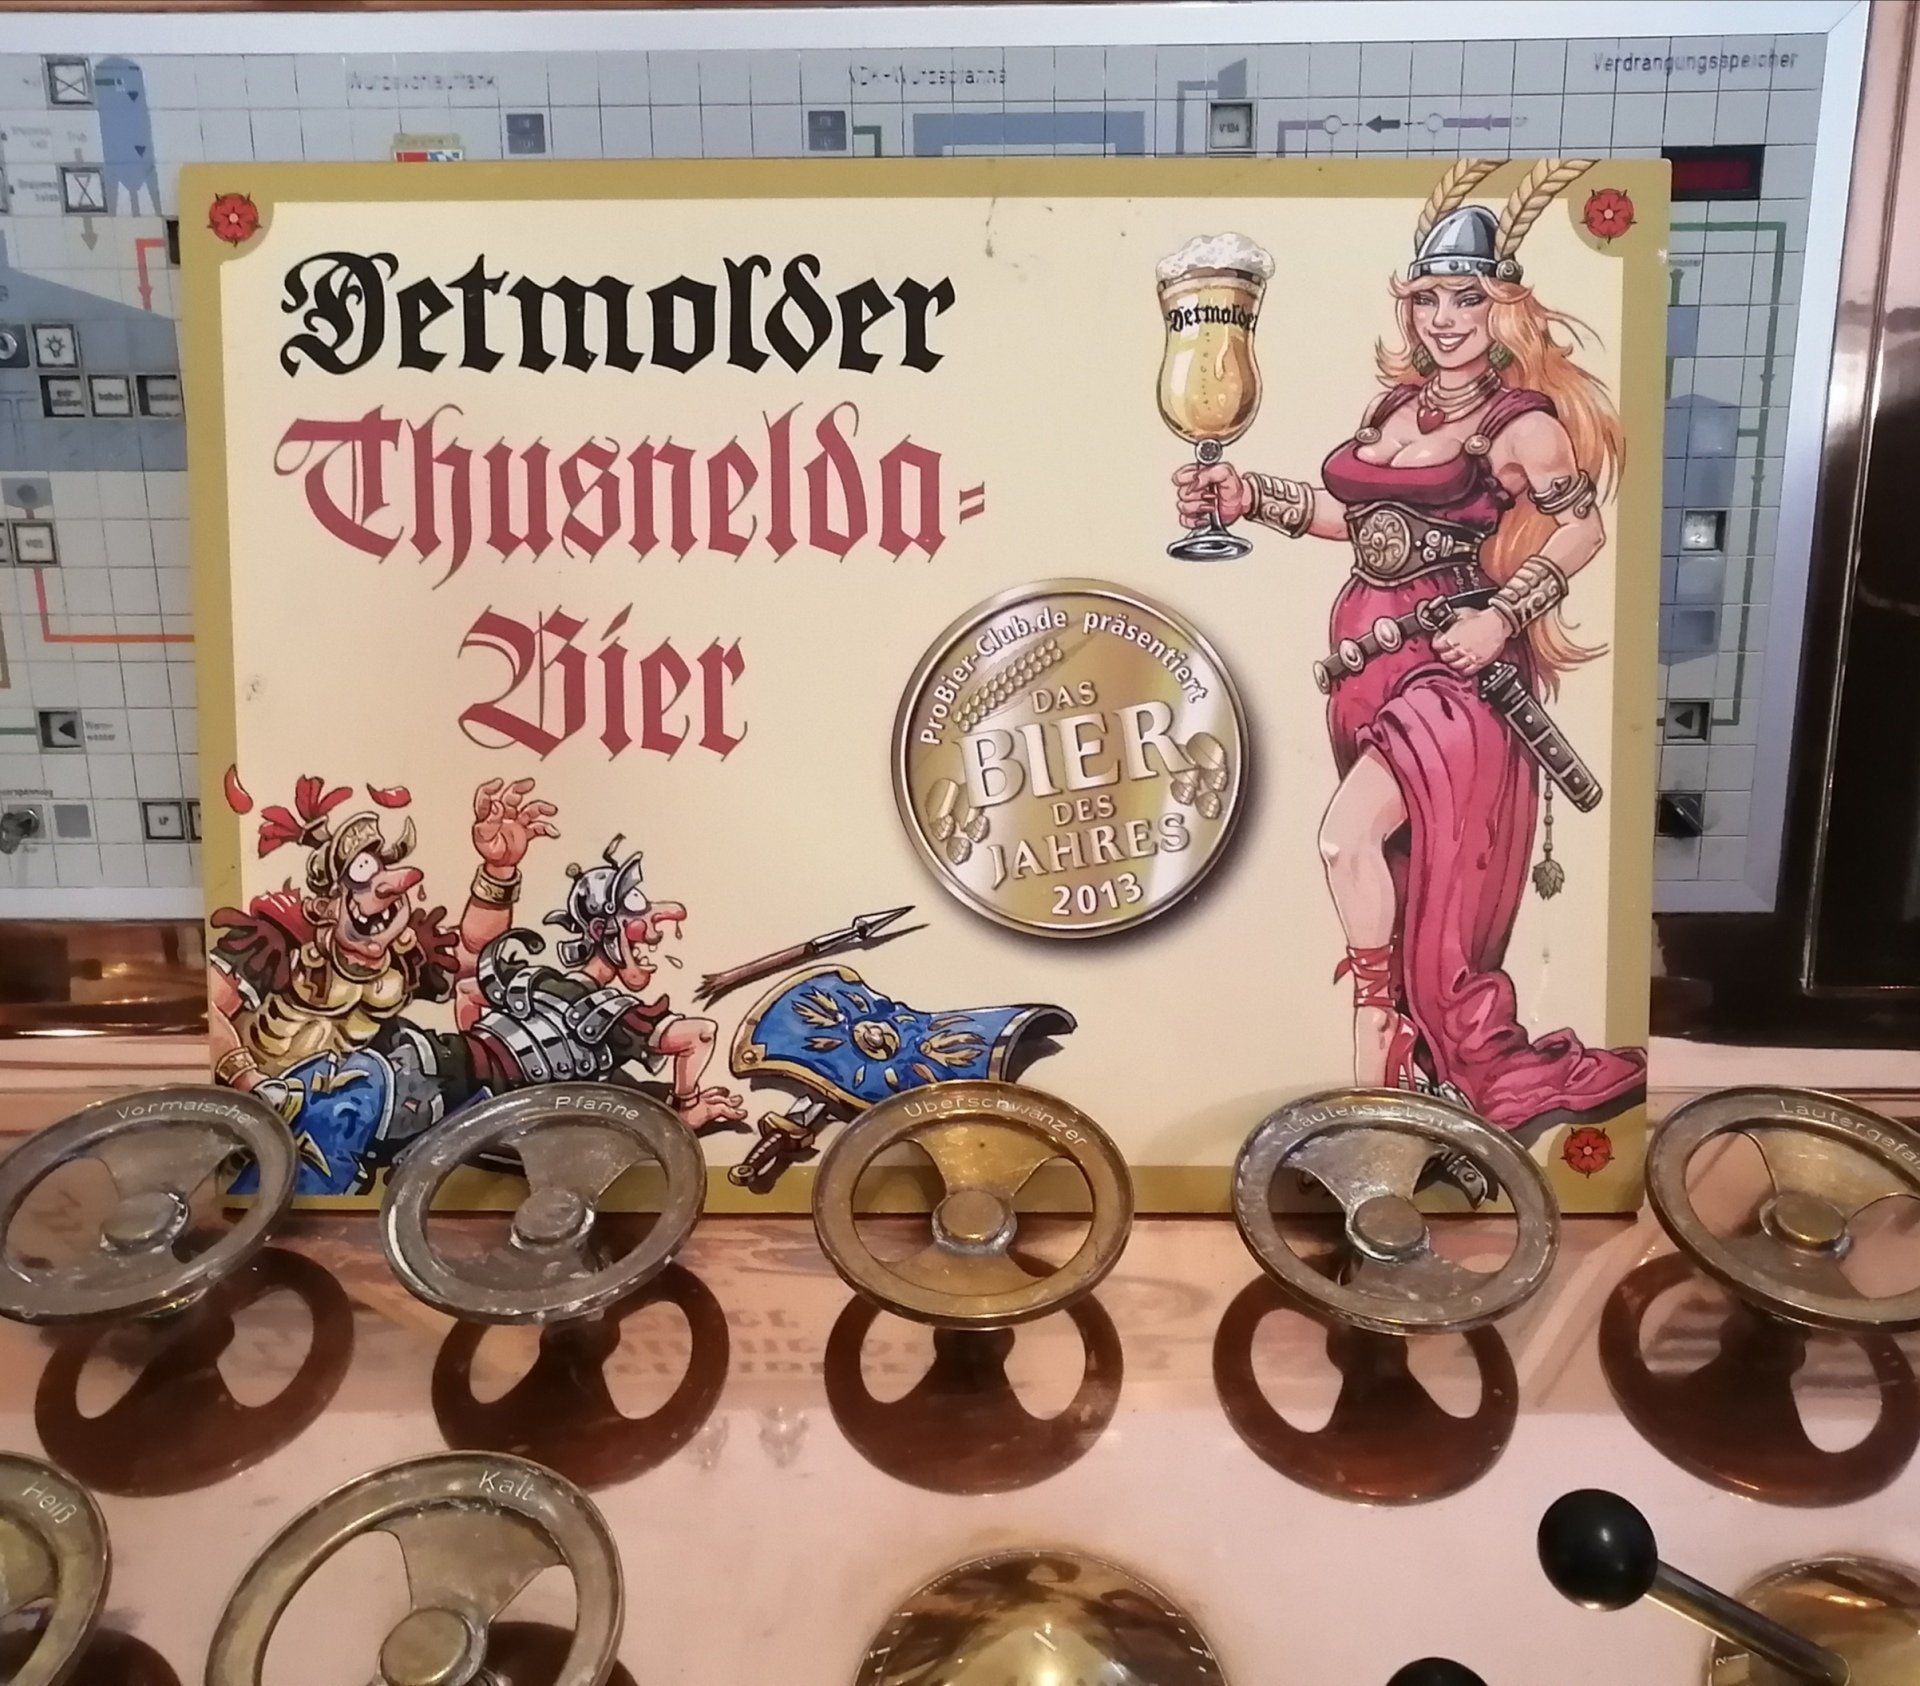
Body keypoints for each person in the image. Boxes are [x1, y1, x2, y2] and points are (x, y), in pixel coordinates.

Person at [1174, 159, 1645, 1136]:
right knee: (1390, 863)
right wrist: (1246, 497)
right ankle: (1389, 1082)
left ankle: (1383, 1034)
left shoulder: (1524, 424)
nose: (1444, 318)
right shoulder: (1396, 410)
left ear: (1501, 305)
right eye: (1427, 297)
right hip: (1365, 662)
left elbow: (1583, 528)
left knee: (1345, 838)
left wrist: (1502, 616)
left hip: (1455, 664)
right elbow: (1359, 526)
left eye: (1465, 297)